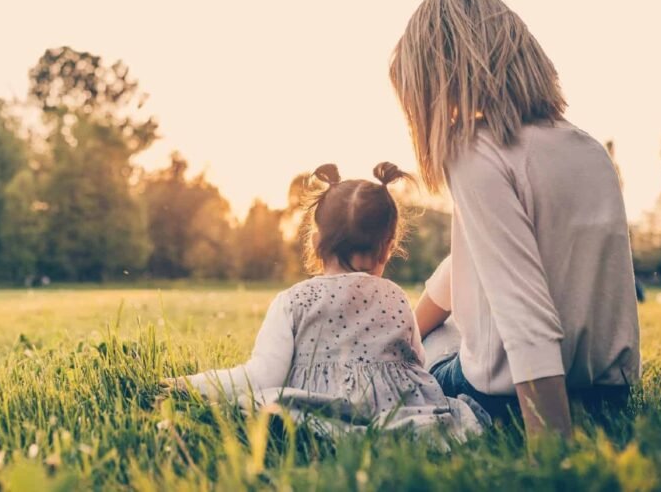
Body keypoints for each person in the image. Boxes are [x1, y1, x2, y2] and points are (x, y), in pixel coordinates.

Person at [389, 0, 641, 440]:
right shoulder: (588, 149)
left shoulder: (476, 151)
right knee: (434, 333)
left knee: (424, 354)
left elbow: (526, 314)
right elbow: (491, 263)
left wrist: (551, 453)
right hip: (609, 397)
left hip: (514, 401)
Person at [165, 163, 486, 440]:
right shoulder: (397, 297)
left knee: (265, 404)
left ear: (315, 240)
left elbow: (262, 376)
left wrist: (189, 384)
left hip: (321, 406)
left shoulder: (294, 301)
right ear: (388, 247)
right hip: (398, 409)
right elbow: (416, 362)